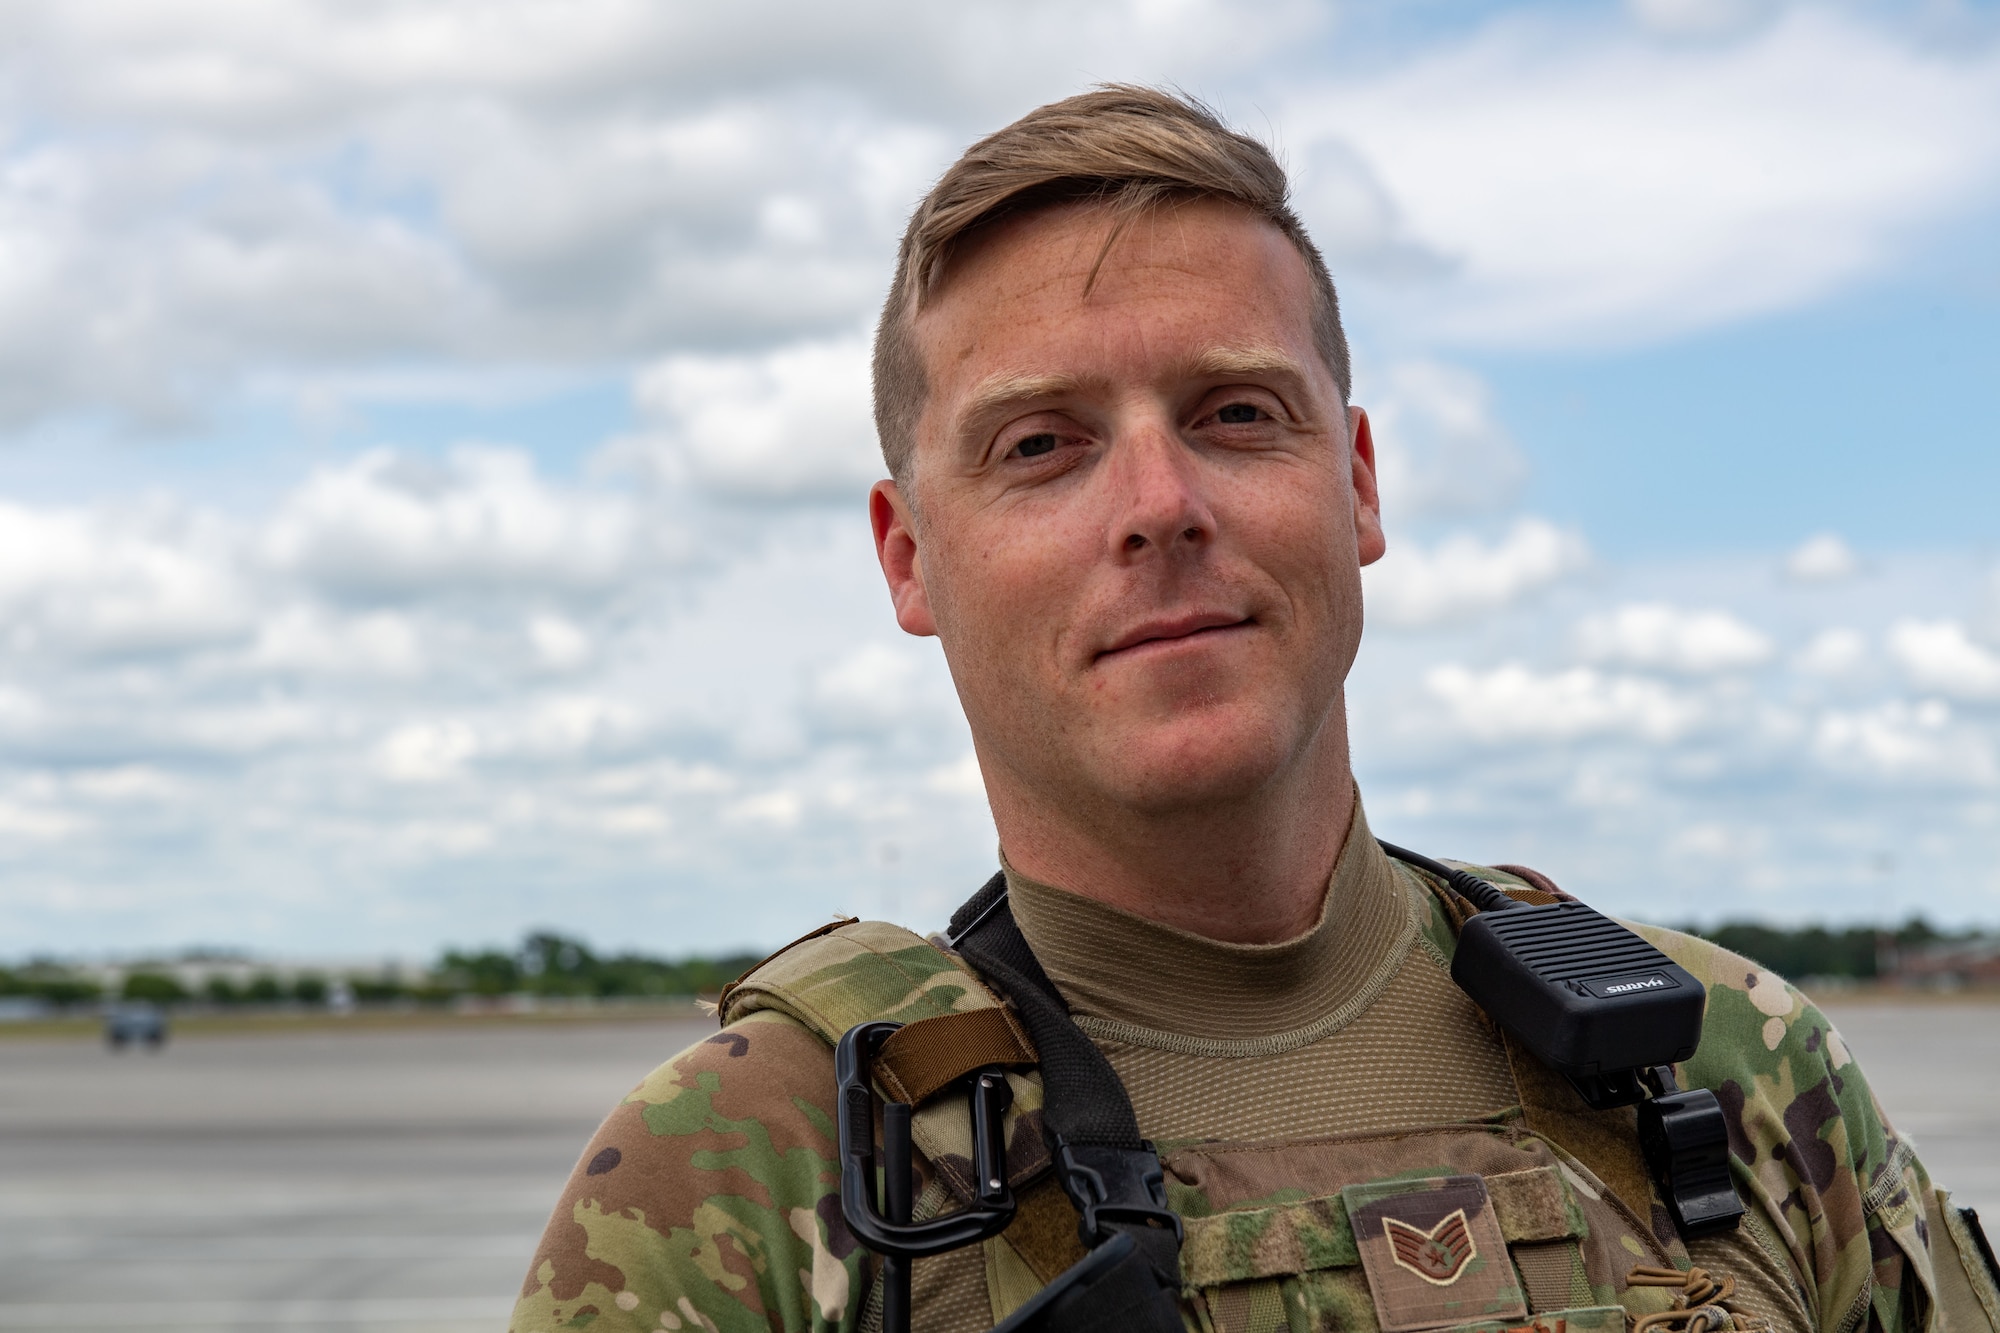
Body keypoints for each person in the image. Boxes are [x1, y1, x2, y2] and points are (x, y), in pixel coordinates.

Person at [510, 87, 1998, 1333]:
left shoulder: (1728, 1068)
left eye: (1234, 413)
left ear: (1355, 481)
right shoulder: (751, 1176)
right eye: (1041, 445)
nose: (1160, 505)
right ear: (912, 557)